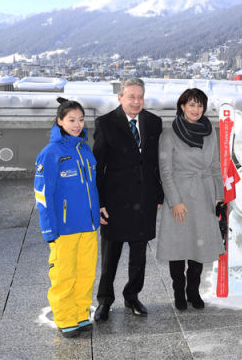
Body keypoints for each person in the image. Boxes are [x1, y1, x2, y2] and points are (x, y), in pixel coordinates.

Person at [92, 78, 163, 321]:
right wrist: (99, 202)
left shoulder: (153, 122)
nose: (136, 101)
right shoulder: (105, 123)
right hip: (115, 201)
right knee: (110, 256)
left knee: (139, 255)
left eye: (140, 97)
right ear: (120, 97)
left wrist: (159, 194)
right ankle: (104, 301)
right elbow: (98, 166)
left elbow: (156, 163)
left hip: (145, 199)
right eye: (131, 96)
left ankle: (132, 296)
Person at [34, 98, 100, 337]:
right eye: (71, 120)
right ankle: (65, 318)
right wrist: (48, 229)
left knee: (85, 274)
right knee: (64, 276)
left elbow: (92, 187)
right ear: (60, 121)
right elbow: (42, 195)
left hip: (88, 226)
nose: (77, 124)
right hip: (64, 228)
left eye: (81, 120)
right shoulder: (50, 153)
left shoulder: (84, 149)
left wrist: (97, 212)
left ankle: (81, 314)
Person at [156, 88, 224, 311]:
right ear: (182, 106)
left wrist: (219, 196)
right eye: (192, 104)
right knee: (178, 247)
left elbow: (215, 166)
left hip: (204, 195)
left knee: (199, 246)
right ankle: (178, 290)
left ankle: (193, 291)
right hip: (180, 195)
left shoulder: (210, 132)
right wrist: (175, 201)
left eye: (200, 105)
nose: (196, 109)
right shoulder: (169, 134)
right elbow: (165, 171)